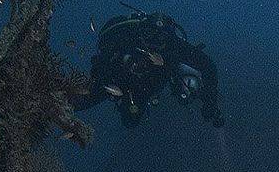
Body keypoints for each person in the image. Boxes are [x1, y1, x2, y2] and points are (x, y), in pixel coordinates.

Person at [75, 11, 224, 129]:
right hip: (118, 80)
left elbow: (207, 65)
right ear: (143, 30)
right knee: (80, 101)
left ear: (168, 38)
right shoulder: (128, 37)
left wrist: (210, 100)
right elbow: (103, 58)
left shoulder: (174, 47)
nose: (154, 41)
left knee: (131, 121)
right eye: (149, 34)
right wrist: (106, 72)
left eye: (161, 38)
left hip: (144, 89)